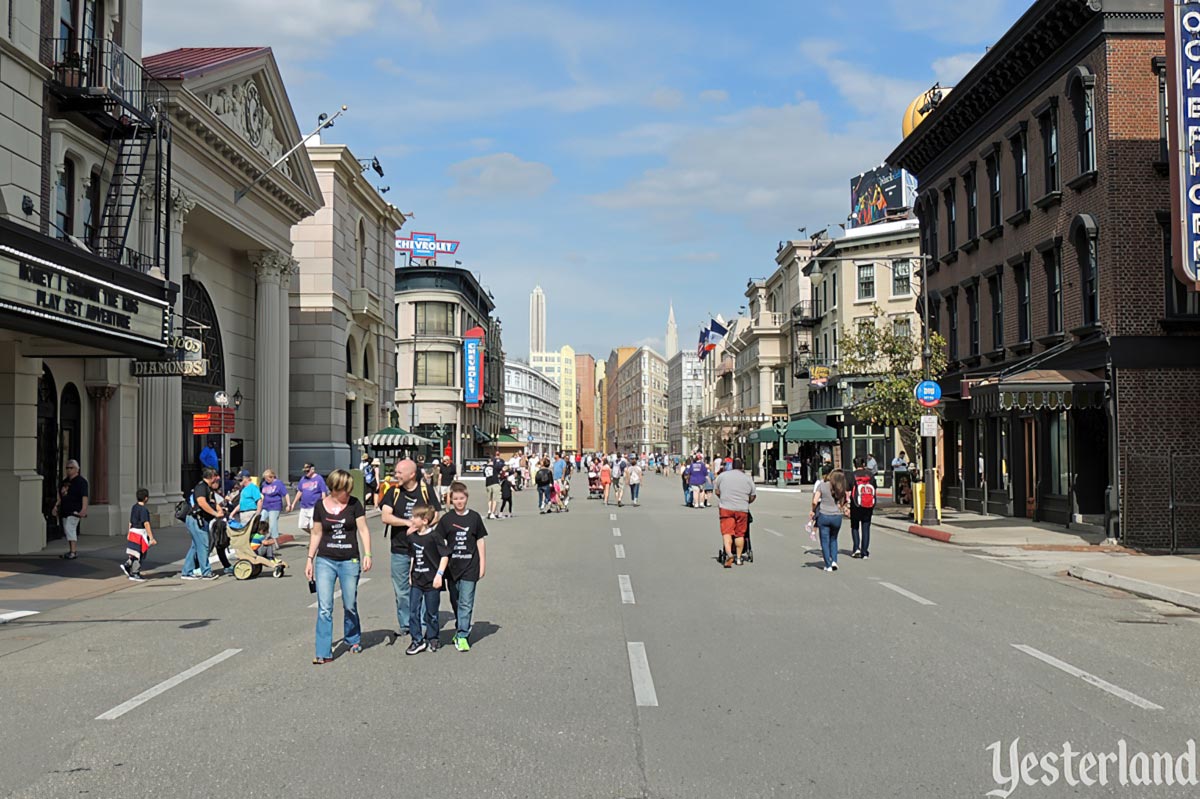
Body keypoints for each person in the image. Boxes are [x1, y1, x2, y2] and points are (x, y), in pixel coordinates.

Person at [305, 469, 372, 664]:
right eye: (346, 490)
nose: (348, 494)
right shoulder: (320, 506)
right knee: (325, 607)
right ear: (335, 488)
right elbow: (316, 533)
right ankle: (323, 651)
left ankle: (352, 638)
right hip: (325, 560)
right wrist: (310, 558)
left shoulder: (354, 505)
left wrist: (367, 554)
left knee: (349, 604)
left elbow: (363, 530)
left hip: (349, 560)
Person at [380, 459, 442, 642]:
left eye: (399, 472)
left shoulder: (425, 490)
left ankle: (423, 624)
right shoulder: (393, 492)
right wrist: (408, 523)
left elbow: (437, 513)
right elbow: (385, 516)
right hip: (400, 548)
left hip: (424, 550)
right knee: (401, 589)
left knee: (423, 586)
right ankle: (406, 624)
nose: (395, 475)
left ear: (411, 474)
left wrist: (423, 527)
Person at [436, 481, 488, 652]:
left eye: (462, 498)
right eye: (455, 498)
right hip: (452, 568)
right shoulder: (446, 519)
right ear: (451, 499)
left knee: (466, 602)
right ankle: (460, 626)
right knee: (456, 600)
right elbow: (438, 540)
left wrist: (482, 564)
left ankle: (463, 635)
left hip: (470, 566)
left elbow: (480, 541)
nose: (459, 501)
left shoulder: (474, 517)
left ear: (466, 498)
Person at [405, 503, 449, 655]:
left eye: (414, 517)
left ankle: (433, 638)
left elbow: (444, 556)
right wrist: (410, 574)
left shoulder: (434, 536)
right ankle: (416, 640)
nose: (411, 519)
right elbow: (413, 557)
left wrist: (439, 575)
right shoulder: (412, 537)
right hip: (417, 580)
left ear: (424, 520)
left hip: (432, 580)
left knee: (431, 612)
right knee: (413, 611)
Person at [714, 457, 757, 567]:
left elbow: (717, 491)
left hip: (726, 508)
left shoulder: (722, 476)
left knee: (727, 532)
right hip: (742, 509)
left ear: (732, 466)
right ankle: (738, 558)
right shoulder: (747, 479)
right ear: (742, 466)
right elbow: (753, 496)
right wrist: (746, 502)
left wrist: (723, 498)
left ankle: (729, 554)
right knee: (740, 534)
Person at [181, 468, 222, 580]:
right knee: (204, 545)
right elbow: (202, 502)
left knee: (195, 546)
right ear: (212, 477)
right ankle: (206, 572)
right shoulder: (201, 487)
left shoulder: (209, 489)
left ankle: (187, 571)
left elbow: (214, 502)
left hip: (200, 520)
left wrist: (220, 511)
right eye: (216, 476)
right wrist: (215, 513)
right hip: (195, 519)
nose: (218, 478)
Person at [812, 468, 849, 572]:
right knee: (834, 539)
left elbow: (815, 501)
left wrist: (813, 511)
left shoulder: (822, 485)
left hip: (824, 515)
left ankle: (828, 564)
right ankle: (834, 561)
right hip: (837, 516)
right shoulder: (841, 488)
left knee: (824, 540)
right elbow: (842, 504)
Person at [53, 459, 89, 559]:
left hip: (75, 510)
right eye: (67, 468)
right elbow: (60, 496)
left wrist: (84, 509)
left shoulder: (81, 482)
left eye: (71, 468)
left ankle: (73, 552)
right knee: (67, 529)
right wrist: (56, 506)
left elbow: (84, 496)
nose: (69, 470)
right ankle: (71, 550)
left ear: (77, 469)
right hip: (65, 509)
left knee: (70, 528)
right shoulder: (64, 482)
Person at [121, 488, 156, 581]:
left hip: (133, 531)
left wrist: (129, 532)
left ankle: (128, 565)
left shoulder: (134, 507)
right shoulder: (143, 510)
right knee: (140, 553)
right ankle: (135, 573)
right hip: (140, 533)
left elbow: (130, 521)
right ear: (146, 498)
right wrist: (151, 537)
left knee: (133, 551)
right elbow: (146, 523)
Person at [849, 457, 877, 559]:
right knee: (866, 527)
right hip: (868, 505)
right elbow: (875, 488)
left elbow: (848, 490)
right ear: (864, 464)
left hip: (855, 505)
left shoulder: (852, 475)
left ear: (854, 465)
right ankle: (864, 552)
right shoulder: (870, 475)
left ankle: (856, 548)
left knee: (855, 526)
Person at [289, 463, 328, 535]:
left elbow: (323, 493)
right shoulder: (303, 479)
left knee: (312, 526)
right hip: (304, 506)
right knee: (302, 525)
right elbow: (300, 491)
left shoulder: (319, 479)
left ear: (312, 469)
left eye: (307, 471)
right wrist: (293, 503)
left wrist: (324, 505)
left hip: (314, 506)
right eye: (305, 471)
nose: (306, 473)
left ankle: (315, 540)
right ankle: (316, 536)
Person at [259, 469, 288, 537]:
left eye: (267, 478)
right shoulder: (264, 484)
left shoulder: (278, 483)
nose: (266, 480)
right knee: (261, 521)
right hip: (265, 506)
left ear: (272, 477)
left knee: (273, 524)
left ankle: (274, 539)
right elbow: (263, 494)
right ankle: (263, 537)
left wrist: (288, 504)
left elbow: (285, 494)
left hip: (275, 506)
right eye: (265, 478)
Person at [485, 451, 504, 519]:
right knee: (495, 499)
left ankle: (489, 510)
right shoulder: (495, 467)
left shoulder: (486, 468)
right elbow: (501, 466)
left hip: (488, 484)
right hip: (495, 483)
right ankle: (492, 513)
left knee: (490, 499)